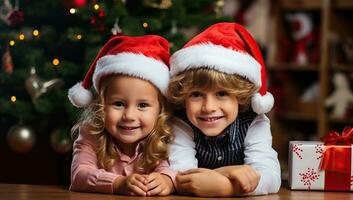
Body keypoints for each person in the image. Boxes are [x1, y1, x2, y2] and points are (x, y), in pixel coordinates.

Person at [167, 22, 281, 197]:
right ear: (184, 96)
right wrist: (228, 173)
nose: (209, 107)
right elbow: (182, 176)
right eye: (196, 94)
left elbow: (271, 177)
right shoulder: (182, 122)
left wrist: (228, 188)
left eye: (221, 93)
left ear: (240, 96)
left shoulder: (253, 121)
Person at [67, 35, 176, 196]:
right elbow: (79, 175)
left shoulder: (162, 135)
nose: (129, 116)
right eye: (118, 104)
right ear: (101, 105)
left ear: (160, 110)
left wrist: (166, 180)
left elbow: (170, 170)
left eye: (143, 105)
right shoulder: (91, 135)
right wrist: (117, 183)